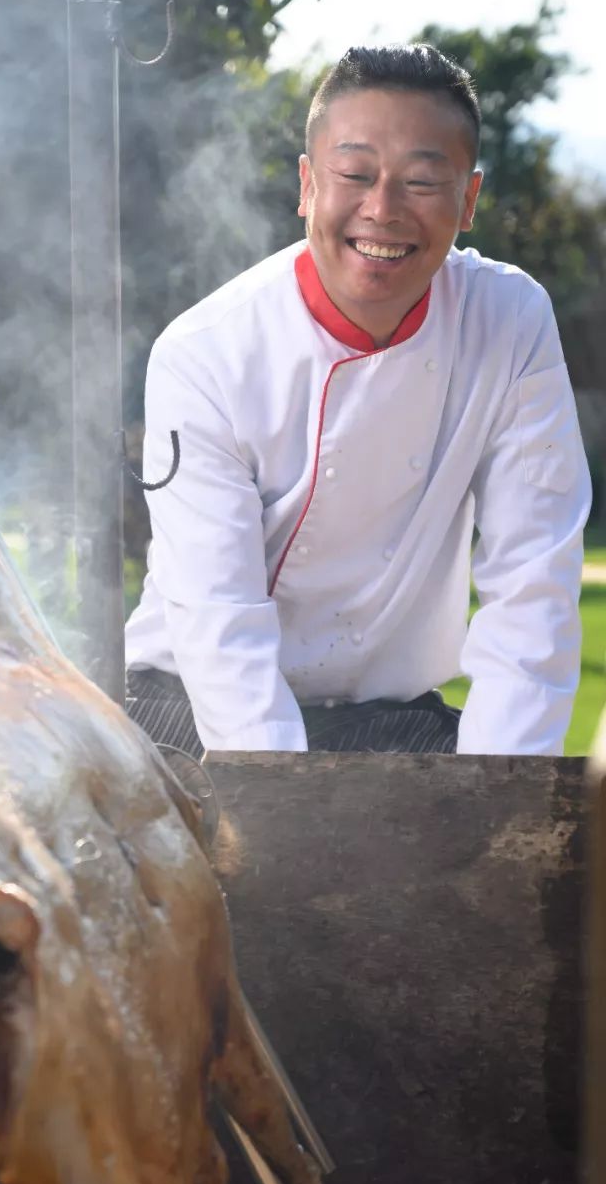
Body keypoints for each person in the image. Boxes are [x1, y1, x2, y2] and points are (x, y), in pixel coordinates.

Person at [124, 43, 591, 758]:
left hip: (379, 716)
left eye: (422, 182)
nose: (383, 210)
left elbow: (533, 586)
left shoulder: (509, 321)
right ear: (309, 185)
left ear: (468, 200)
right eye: (355, 174)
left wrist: (504, 800)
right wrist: (282, 815)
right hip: (188, 704)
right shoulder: (206, 353)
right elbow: (220, 622)